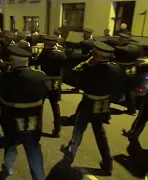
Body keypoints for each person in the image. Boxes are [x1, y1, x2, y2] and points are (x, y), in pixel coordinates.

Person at [61, 41, 123, 175]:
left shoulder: (89, 68)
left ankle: (69, 156)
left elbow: (74, 75)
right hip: (103, 104)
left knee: (78, 129)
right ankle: (108, 163)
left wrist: (86, 64)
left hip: (88, 102)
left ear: (96, 55)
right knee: (100, 133)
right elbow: (117, 89)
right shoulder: (116, 68)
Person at [0, 45, 48, 180]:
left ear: (12, 61)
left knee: (10, 144)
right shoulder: (40, 77)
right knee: (34, 151)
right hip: (33, 122)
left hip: (11, 121)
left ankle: (8, 167)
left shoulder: (4, 77)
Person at [37, 35, 66, 138]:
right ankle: (57, 130)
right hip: (56, 82)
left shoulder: (45, 54)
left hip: (44, 81)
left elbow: (37, 61)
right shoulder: (61, 54)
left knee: (40, 106)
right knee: (55, 106)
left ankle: (38, 129)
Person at [114, 33, 141, 115]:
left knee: (111, 88)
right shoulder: (136, 48)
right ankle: (132, 109)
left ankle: (105, 111)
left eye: (120, 39)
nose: (119, 40)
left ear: (124, 40)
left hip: (122, 71)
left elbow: (114, 57)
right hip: (132, 70)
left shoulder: (120, 49)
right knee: (130, 91)